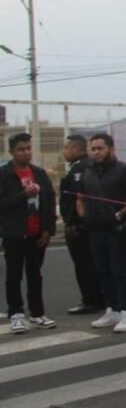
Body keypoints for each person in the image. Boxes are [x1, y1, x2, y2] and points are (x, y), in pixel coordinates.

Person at [78, 133, 126, 333]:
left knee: (119, 271)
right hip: (95, 230)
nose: (96, 152)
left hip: (117, 230)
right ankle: (112, 309)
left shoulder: (124, 170)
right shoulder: (87, 171)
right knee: (102, 271)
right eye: (92, 149)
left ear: (111, 149)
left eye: (99, 148)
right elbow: (80, 198)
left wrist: (119, 216)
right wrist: (84, 216)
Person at [1, 133, 57, 333]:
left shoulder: (39, 173)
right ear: (12, 152)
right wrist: (22, 195)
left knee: (35, 273)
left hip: (36, 232)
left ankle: (37, 313)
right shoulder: (4, 174)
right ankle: (16, 313)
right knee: (14, 274)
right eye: (21, 149)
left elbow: (49, 201)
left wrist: (48, 229)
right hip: (14, 233)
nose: (26, 153)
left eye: (28, 148)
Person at [60, 134, 104, 315]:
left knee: (84, 264)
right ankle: (101, 298)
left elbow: (74, 199)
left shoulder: (79, 170)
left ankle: (91, 300)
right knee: (94, 264)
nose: (64, 152)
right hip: (88, 225)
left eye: (66, 148)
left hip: (79, 227)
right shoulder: (89, 167)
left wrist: (71, 222)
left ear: (75, 149)